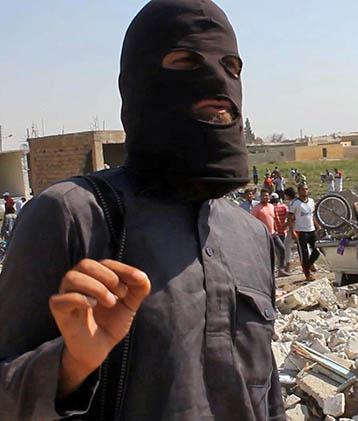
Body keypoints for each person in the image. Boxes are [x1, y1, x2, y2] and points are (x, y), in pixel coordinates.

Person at [0, 1, 285, 420]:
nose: (217, 78)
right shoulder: (70, 216)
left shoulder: (251, 236)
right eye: (185, 60)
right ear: (141, 81)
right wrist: (71, 366)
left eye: (232, 65)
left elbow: (265, 395)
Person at [252, 189, 288, 276]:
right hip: (263, 235)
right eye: (264, 195)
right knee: (268, 255)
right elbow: (252, 221)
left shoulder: (271, 206)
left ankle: (281, 269)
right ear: (260, 197)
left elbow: (273, 219)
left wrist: (277, 230)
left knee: (282, 248)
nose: (265, 197)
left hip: (273, 233)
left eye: (267, 195)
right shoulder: (257, 208)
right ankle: (269, 274)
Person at [288, 184, 319, 281]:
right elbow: (290, 218)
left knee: (317, 250)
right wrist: (292, 231)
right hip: (301, 231)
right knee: (304, 253)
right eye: (303, 189)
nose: (305, 191)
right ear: (299, 191)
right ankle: (307, 273)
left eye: (306, 189)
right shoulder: (295, 203)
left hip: (311, 230)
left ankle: (309, 264)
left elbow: (312, 215)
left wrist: (317, 225)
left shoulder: (311, 201)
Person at [282, 187, 297, 272]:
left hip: (294, 226)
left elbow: (292, 218)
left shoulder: (292, 203)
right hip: (301, 226)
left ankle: (288, 264)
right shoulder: (298, 202)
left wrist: (287, 226)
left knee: (286, 245)